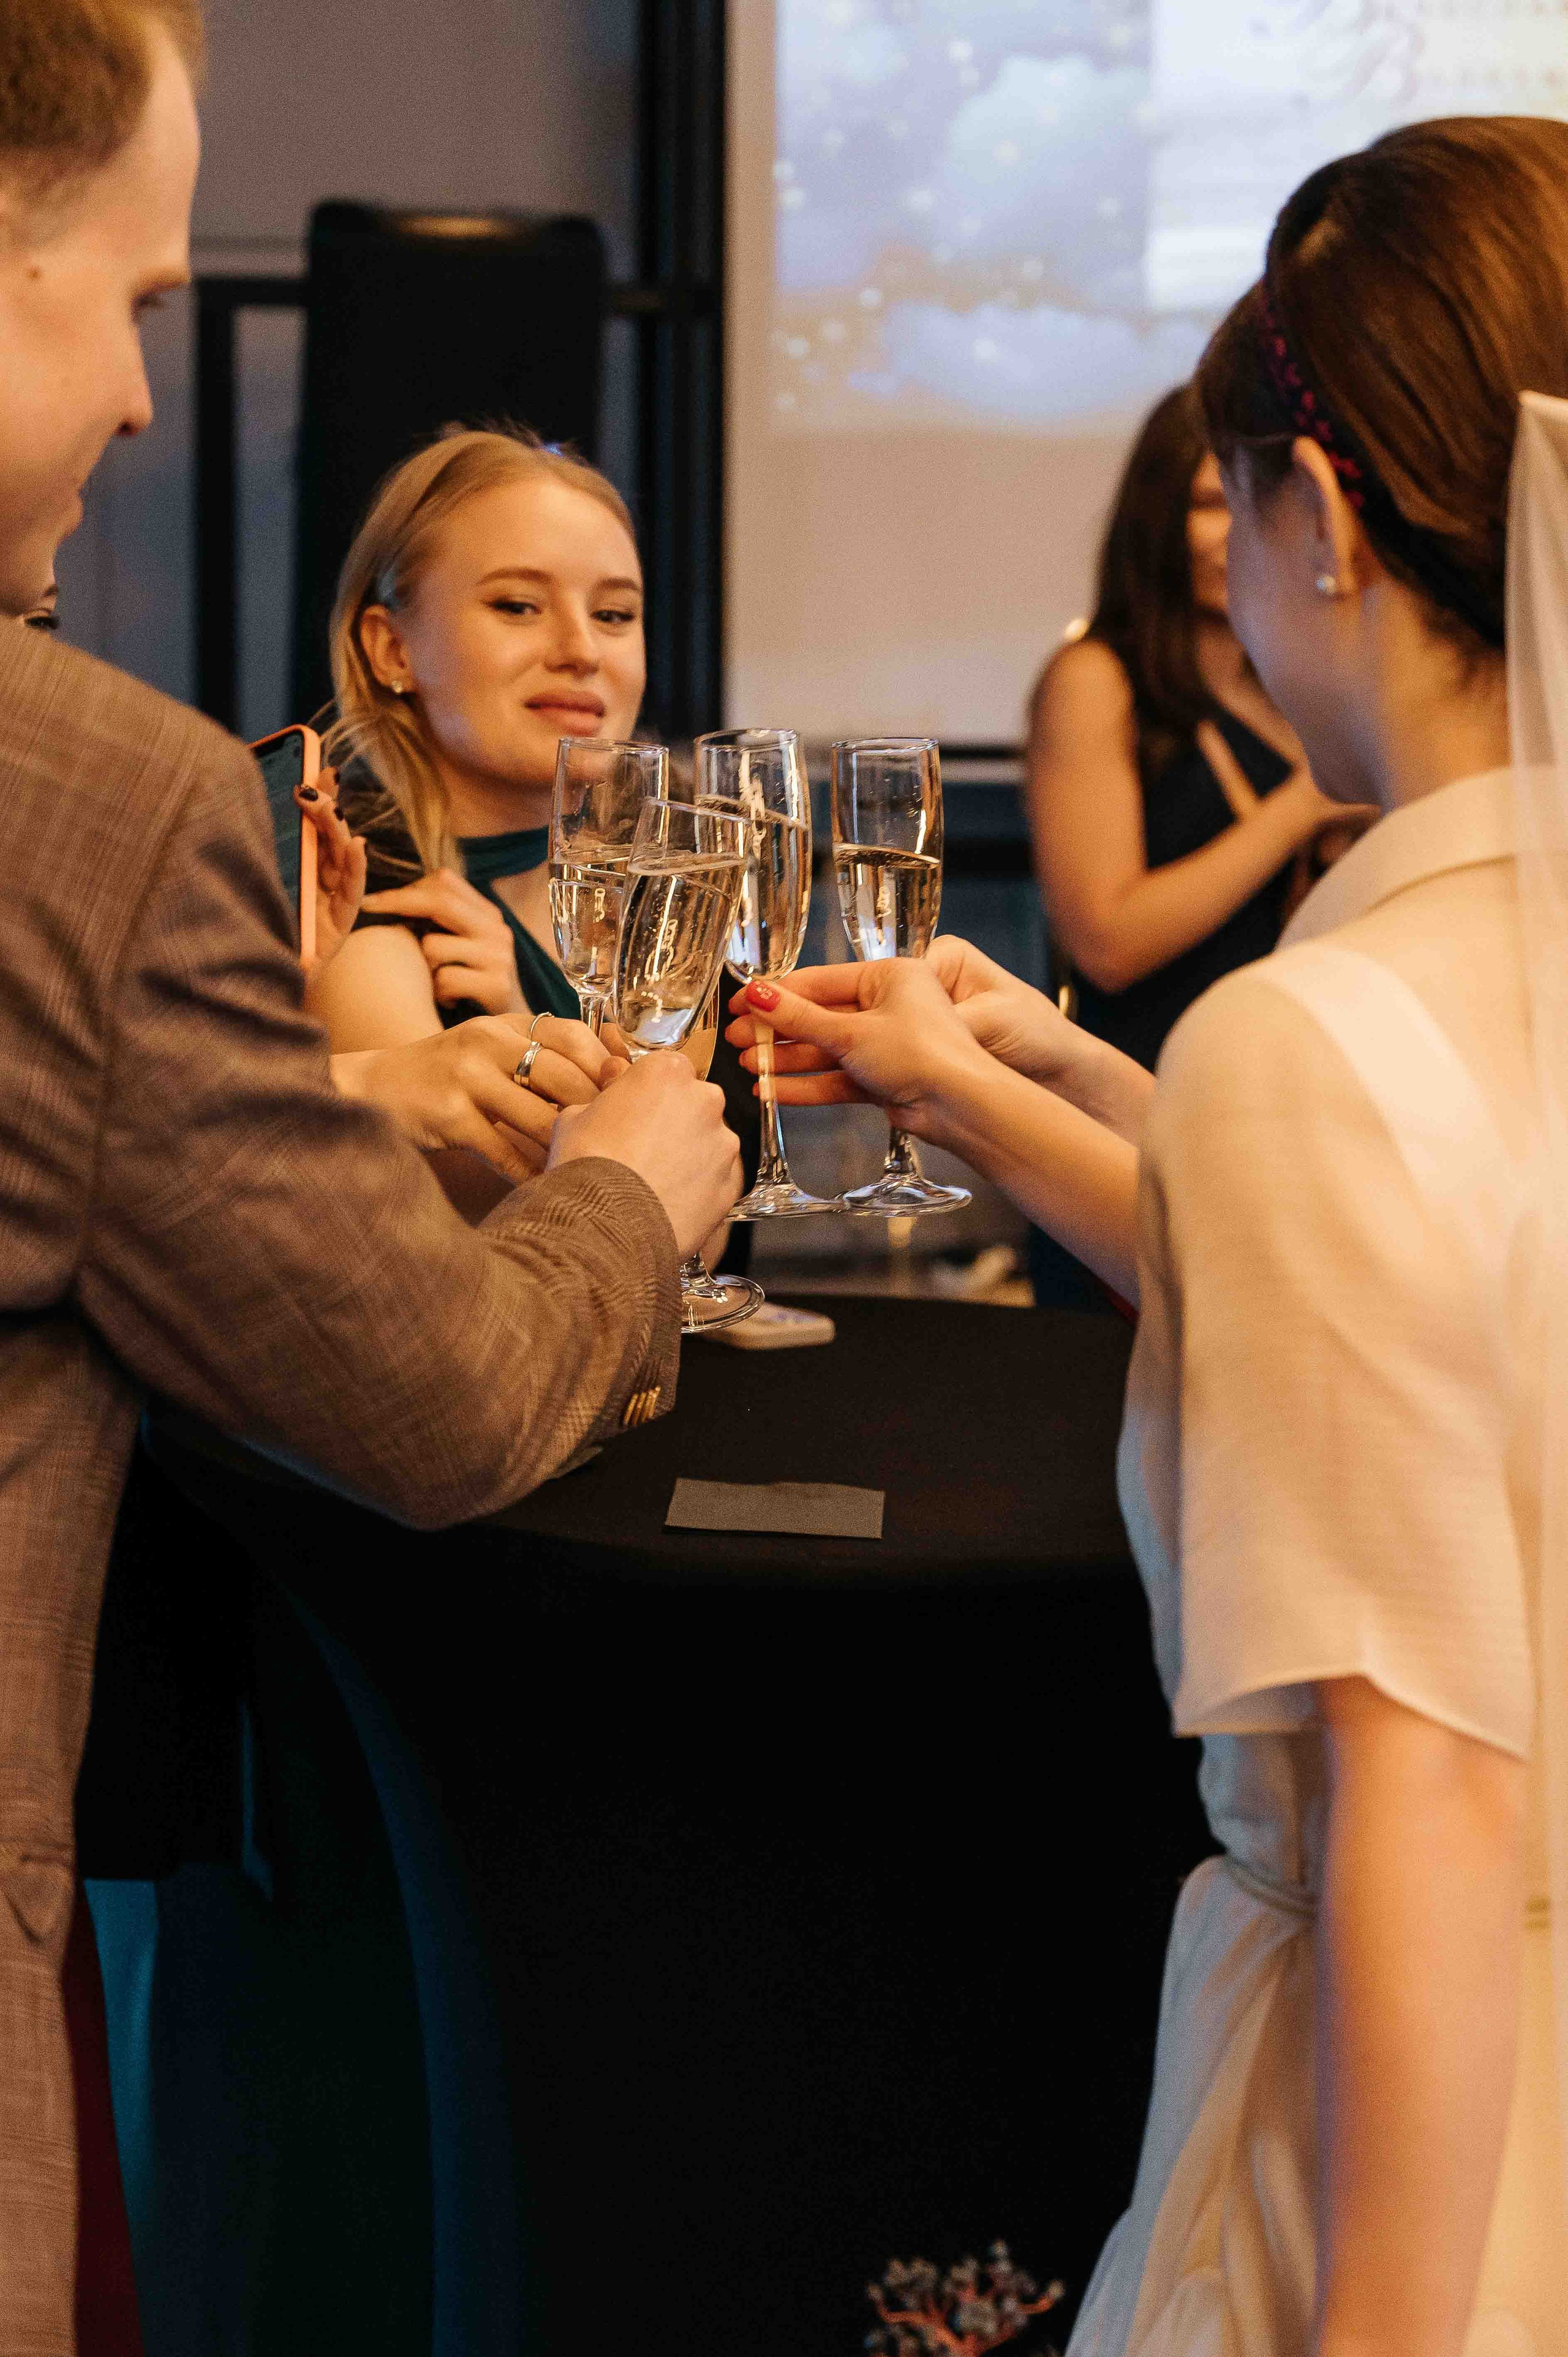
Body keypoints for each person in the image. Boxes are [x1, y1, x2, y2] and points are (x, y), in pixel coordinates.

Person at [731, 114, 1568, 2356]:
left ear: (1328, 524)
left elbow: (1429, 1785)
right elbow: (1405, 1295)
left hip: (1411, 2163)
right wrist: (1012, 1084)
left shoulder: (1322, 1040)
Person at [0, 7, 739, 2348]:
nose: (144, 396)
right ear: (388, 644)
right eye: (130, 301)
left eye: (611, 608)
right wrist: (633, 1166)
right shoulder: (130, 810)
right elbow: (427, 1400)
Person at [1023, 385, 1373, 1302]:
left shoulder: (1298, 682)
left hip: (1287, 1114)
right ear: (1155, 516)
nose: (1236, 536)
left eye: (1255, 507)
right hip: (1130, 1116)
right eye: (1209, 505)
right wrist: (1298, 811)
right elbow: (1107, 939)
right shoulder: (1097, 679)